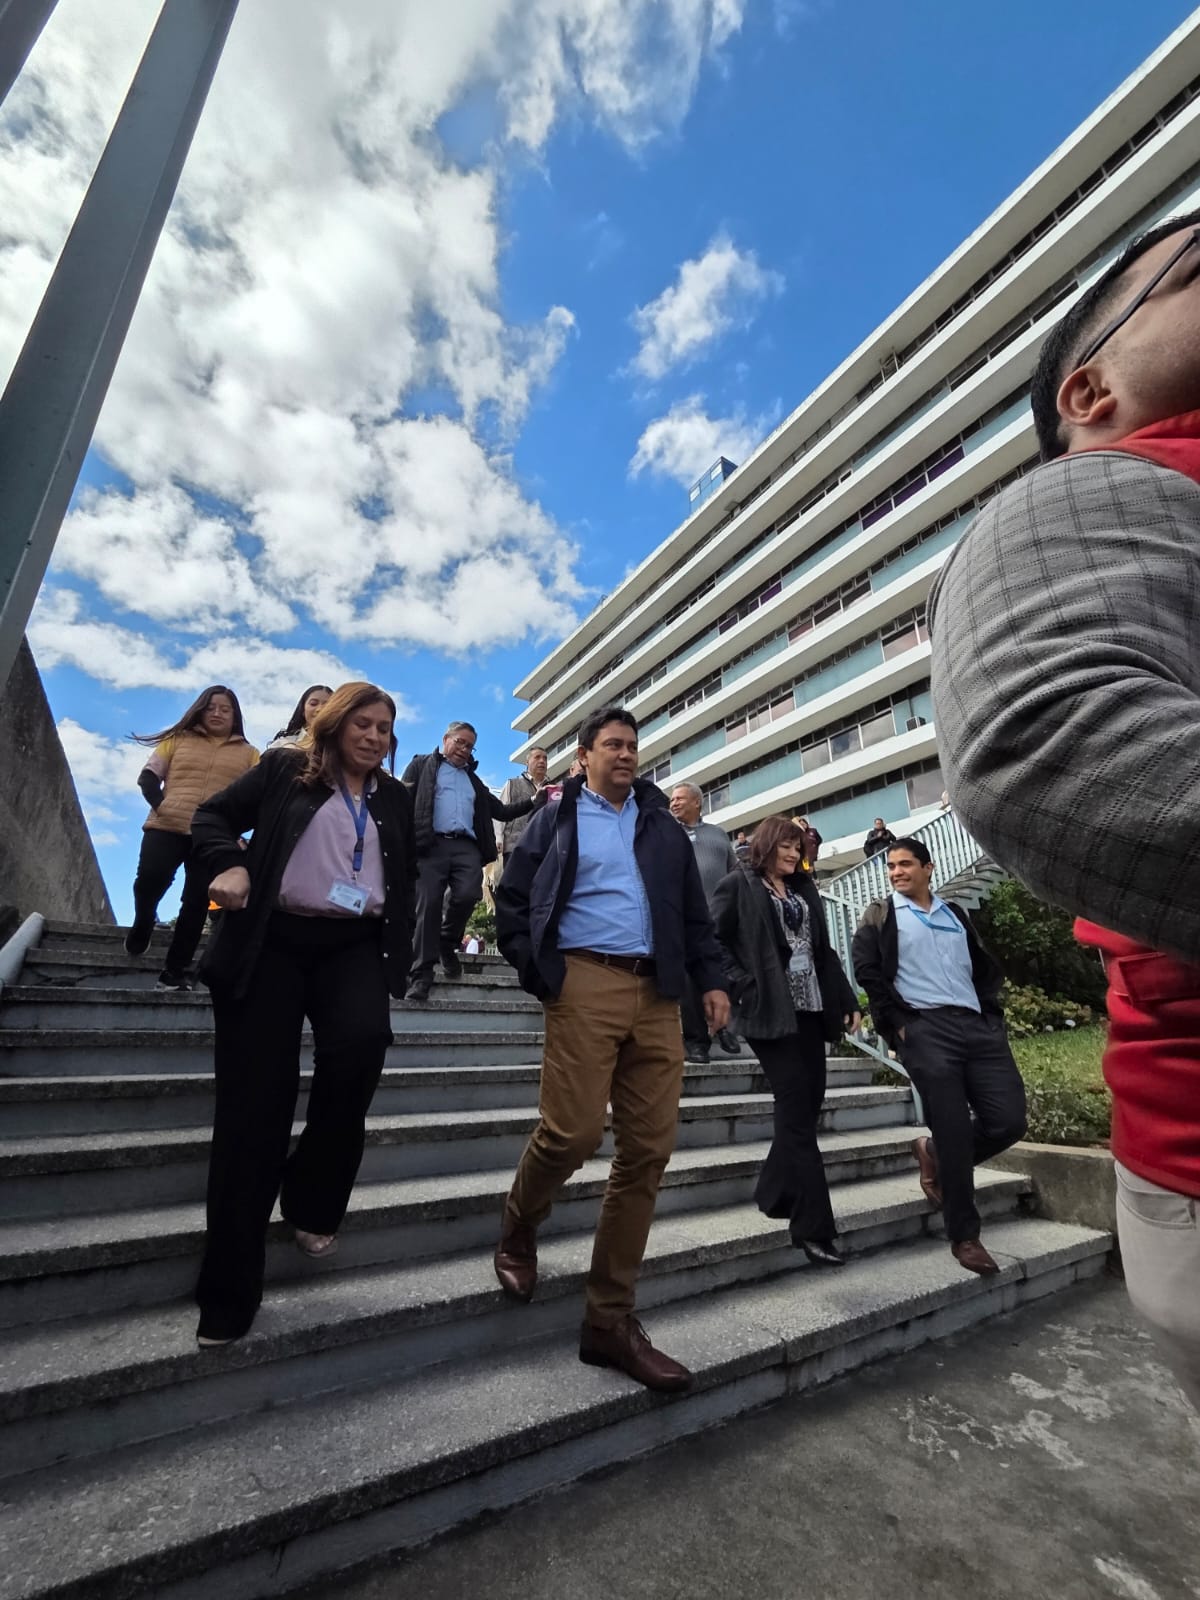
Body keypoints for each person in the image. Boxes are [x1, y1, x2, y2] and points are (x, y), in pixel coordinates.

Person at [928, 209, 1200, 1404]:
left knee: (990, 1104)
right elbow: (1051, 744)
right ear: (1089, 389)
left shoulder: (945, 915)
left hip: (976, 1018)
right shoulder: (1098, 490)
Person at [494, 706, 730, 1392]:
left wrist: (712, 979)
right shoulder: (557, 817)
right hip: (584, 979)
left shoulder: (662, 826)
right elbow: (513, 899)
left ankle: (609, 1319)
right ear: (585, 755)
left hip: (657, 993)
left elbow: (693, 912)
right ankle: (519, 1224)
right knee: (570, 1134)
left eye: (632, 745)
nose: (626, 754)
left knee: (648, 1151)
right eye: (613, 745)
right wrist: (539, 971)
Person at [189, 682, 416, 1345]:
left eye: (384, 729)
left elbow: (403, 872)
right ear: (336, 724)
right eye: (362, 724)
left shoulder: (394, 797)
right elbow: (211, 817)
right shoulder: (288, 769)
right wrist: (230, 865)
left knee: (363, 1046)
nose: (373, 737)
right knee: (255, 1109)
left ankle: (313, 1199)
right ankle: (228, 1292)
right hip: (272, 941)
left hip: (353, 944)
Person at [851, 838, 1026, 1276]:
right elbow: (867, 970)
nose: (896, 872)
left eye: (905, 864)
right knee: (953, 1129)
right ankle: (965, 1236)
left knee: (1009, 1121)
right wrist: (898, 1024)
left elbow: (981, 967)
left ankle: (932, 1154)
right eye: (891, 866)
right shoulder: (881, 915)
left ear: (928, 868)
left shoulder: (955, 914)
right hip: (925, 1029)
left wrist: (991, 1015)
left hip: (977, 1027)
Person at [712, 815, 860, 1266]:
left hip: (811, 1008)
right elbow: (714, 941)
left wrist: (846, 997)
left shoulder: (803, 889)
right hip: (769, 1012)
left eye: (799, 848)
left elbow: (822, 949)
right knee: (795, 1111)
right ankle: (814, 1229)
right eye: (787, 846)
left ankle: (773, 1190)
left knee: (808, 1105)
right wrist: (743, 984)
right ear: (767, 845)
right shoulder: (739, 885)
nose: (795, 854)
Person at [125, 686, 259, 990]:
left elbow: (258, 796)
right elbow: (148, 776)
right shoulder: (177, 740)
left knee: (197, 901)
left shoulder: (250, 754)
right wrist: (161, 806)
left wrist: (236, 830)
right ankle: (143, 921)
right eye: (211, 707)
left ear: (235, 716)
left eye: (225, 709)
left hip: (212, 835)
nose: (217, 713)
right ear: (200, 710)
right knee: (150, 879)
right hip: (166, 825)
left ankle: (174, 971)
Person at [401, 722, 540, 1002]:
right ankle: (421, 975)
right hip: (430, 844)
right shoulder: (422, 765)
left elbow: (501, 811)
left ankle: (447, 941)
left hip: (466, 846)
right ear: (446, 739)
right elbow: (403, 802)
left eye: (469, 746)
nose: (464, 749)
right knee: (427, 905)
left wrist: (534, 800)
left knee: (468, 894)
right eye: (460, 742)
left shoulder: (473, 781)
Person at [668, 781, 741, 1060]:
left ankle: (724, 1027)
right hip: (683, 920)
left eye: (679, 798)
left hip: (720, 918)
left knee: (726, 972)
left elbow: (734, 872)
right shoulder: (668, 832)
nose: (673, 803)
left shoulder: (718, 834)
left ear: (697, 802)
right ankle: (697, 1040)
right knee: (689, 979)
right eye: (672, 799)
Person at [495, 746, 548, 872]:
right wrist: (498, 837)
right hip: (515, 847)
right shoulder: (512, 784)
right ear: (527, 762)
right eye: (537, 757)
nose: (542, 761)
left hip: (544, 850)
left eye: (545, 758)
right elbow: (500, 812)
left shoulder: (552, 788)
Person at [266, 684, 333, 749]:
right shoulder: (283, 745)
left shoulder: (337, 746)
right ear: (303, 710)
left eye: (327, 705)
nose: (320, 709)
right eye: (313, 704)